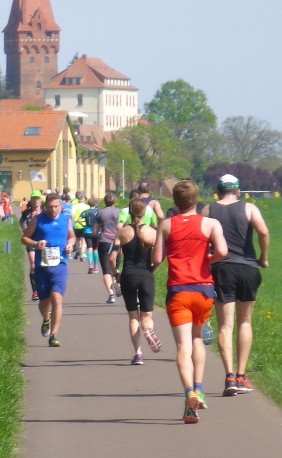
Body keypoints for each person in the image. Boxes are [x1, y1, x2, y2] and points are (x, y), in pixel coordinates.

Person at [152, 180, 228, 424]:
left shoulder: (166, 225)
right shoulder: (210, 223)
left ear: (175, 201)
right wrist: (207, 259)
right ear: (197, 200)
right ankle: (200, 388)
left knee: (182, 346)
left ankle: (189, 394)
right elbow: (222, 252)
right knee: (197, 339)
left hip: (178, 291)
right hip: (204, 290)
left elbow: (157, 259)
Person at [202, 174, 270, 396]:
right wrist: (263, 258)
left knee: (225, 325)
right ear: (238, 191)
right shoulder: (249, 208)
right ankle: (241, 375)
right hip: (247, 267)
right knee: (245, 322)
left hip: (222, 268)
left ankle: (229, 376)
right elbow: (263, 232)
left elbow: (200, 238)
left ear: (218, 191)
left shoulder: (209, 210)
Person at [110, 198, 161, 366]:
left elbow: (112, 258)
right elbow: (159, 256)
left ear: (129, 212)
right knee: (147, 315)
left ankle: (138, 353)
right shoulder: (152, 233)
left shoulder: (123, 232)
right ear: (145, 212)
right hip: (146, 275)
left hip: (128, 276)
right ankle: (148, 329)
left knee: (133, 317)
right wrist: (153, 267)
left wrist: (115, 273)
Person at [21, 193, 76, 347]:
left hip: (60, 265)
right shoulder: (37, 219)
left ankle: (54, 335)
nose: (53, 210)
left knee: (57, 298)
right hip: (42, 266)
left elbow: (72, 237)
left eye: (56, 206)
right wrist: (35, 244)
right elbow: (24, 238)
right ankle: (46, 319)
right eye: (50, 207)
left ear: (61, 206)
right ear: (45, 206)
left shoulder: (66, 219)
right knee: (44, 301)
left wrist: (70, 245)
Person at [92, 193, 121, 303]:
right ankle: (117, 283)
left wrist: (96, 234)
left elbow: (95, 231)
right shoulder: (120, 212)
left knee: (106, 270)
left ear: (104, 201)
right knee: (115, 267)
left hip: (104, 241)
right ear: (115, 201)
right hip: (117, 241)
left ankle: (111, 295)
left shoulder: (100, 213)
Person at [20, 191, 45, 301]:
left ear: (41, 200)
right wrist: (24, 229)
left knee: (44, 265)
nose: (36, 201)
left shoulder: (44, 212)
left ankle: (43, 288)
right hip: (30, 241)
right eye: (34, 198)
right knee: (34, 265)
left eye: (38, 198)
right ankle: (35, 291)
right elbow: (21, 221)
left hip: (42, 241)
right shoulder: (27, 212)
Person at [80, 198, 100, 274]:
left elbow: (78, 219)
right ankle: (96, 266)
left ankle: (90, 264)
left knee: (89, 248)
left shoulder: (85, 212)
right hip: (96, 232)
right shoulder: (97, 212)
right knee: (95, 249)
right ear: (96, 204)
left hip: (87, 231)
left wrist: (83, 224)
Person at [70, 191, 90, 261]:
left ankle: (78, 250)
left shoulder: (74, 206)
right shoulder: (87, 207)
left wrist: (72, 223)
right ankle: (82, 252)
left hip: (76, 224)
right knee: (83, 239)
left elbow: (72, 215)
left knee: (78, 239)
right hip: (85, 224)